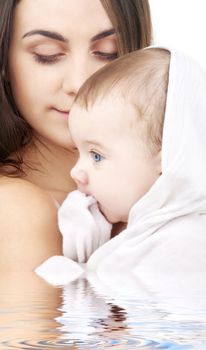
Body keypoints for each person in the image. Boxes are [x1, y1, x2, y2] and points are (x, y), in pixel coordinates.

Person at [0, 0, 152, 271]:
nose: (80, 83)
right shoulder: (16, 208)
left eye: (109, 53)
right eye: (48, 55)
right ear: (4, 62)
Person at [55, 47, 206, 280]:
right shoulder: (145, 233)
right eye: (78, 151)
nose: (76, 172)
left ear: (166, 161)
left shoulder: (183, 245)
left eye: (96, 156)